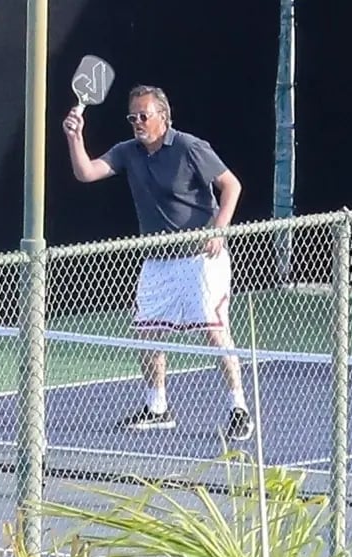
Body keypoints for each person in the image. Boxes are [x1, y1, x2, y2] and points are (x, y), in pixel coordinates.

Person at [62, 84, 254, 441]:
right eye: (132, 117)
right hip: (158, 262)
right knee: (148, 333)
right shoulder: (127, 152)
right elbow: (86, 173)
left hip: (201, 257)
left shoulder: (189, 147)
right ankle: (157, 407)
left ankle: (238, 408)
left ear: (163, 118)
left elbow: (232, 186)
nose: (137, 122)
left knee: (214, 332)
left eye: (144, 116)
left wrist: (218, 231)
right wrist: (75, 137)